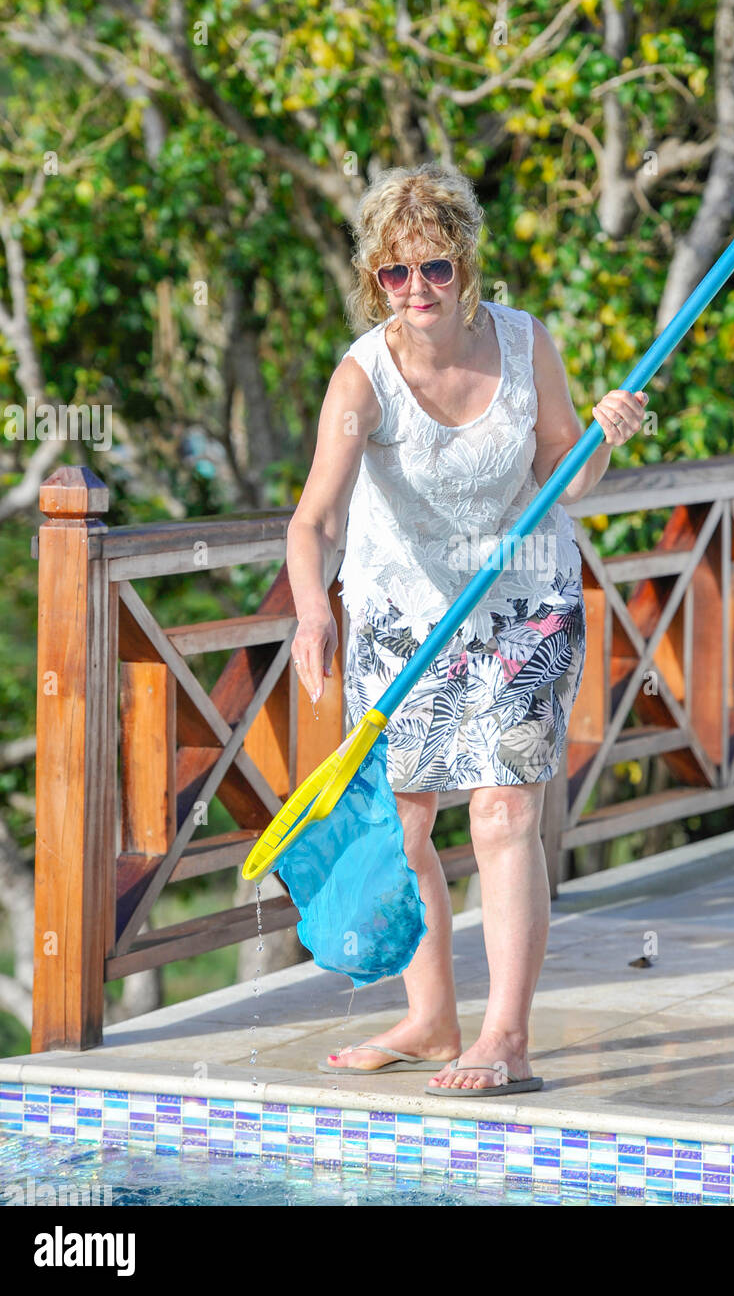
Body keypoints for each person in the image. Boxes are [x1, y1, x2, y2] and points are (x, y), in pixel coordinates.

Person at [287, 162, 648, 1093]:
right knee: (406, 827)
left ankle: (508, 1039)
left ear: (467, 266)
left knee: (502, 814)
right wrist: (308, 612)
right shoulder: (363, 375)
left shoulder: (528, 346)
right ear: (376, 281)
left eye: (435, 269)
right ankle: (433, 1019)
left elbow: (574, 477)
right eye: (395, 276)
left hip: (524, 608)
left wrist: (602, 434)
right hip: (404, 616)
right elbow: (317, 520)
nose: (416, 292)